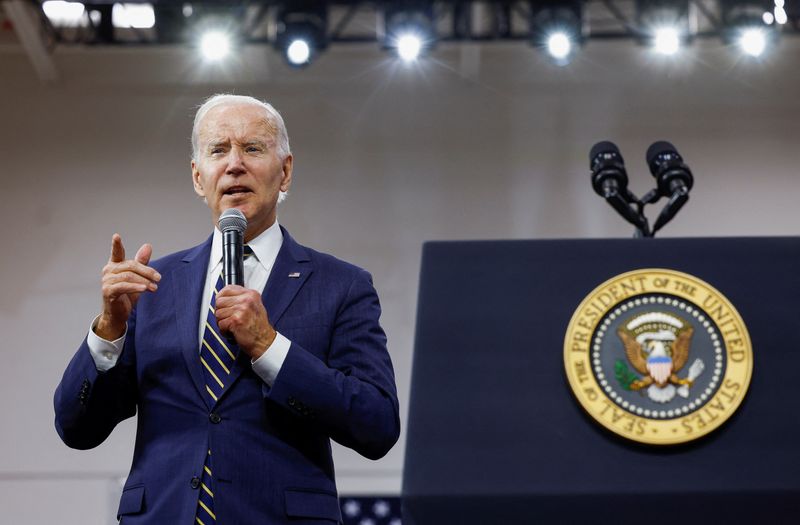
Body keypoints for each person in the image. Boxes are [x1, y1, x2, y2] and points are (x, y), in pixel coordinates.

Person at [54, 94, 400, 524]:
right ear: (199, 177)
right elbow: (76, 429)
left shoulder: (341, 285)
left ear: (286, 171)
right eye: (218, 150)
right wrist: (109, 330)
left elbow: (378, 424)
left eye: (253, 148)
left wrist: (269, 346)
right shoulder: (152, 286)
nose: (234, 164)